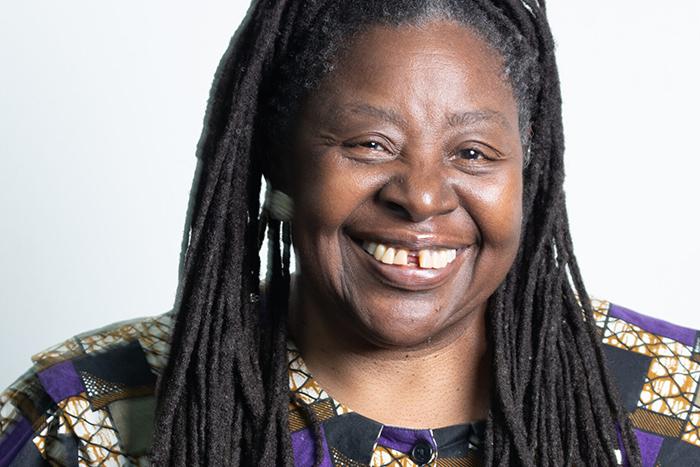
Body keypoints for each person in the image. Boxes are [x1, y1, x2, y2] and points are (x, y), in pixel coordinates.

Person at [1, 1, 699, 466]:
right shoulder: (90, 415)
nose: (422, 195)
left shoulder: (678, 402)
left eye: (474, 153)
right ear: (281, 160)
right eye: (369, 143)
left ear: (530, 175)